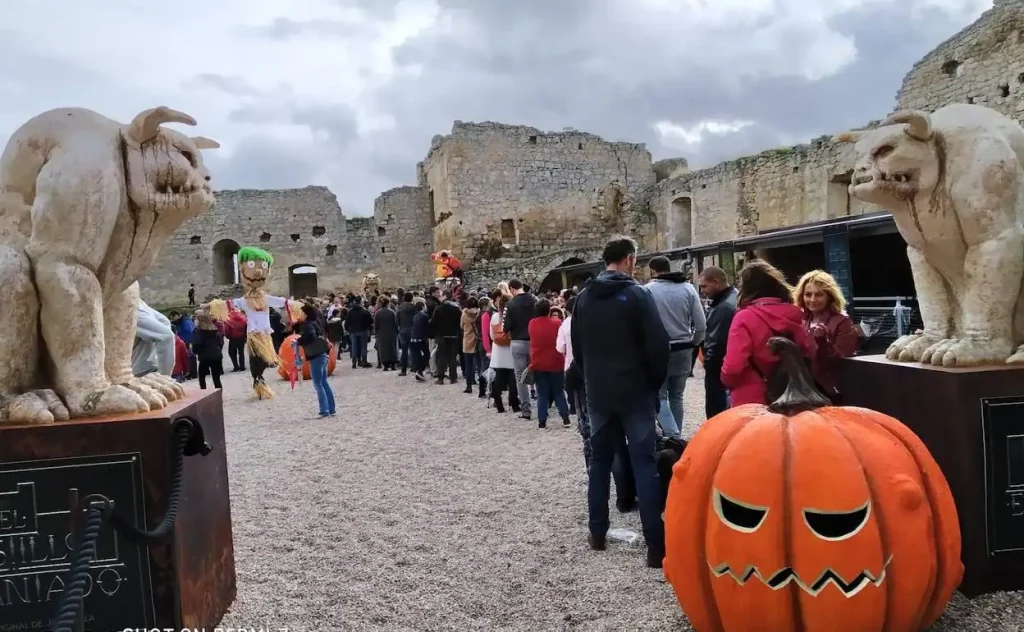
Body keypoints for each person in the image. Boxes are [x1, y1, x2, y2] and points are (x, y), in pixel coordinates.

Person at [570, 236, 670, 569]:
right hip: (635, 391)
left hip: (599, 392)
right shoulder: (638, 295)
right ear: (629, 259)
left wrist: (592, 379)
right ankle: (656, 546)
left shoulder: (583, 298)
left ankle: (597, 532)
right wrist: (651, 385)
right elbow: (658, 346)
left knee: (599, 462)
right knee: (644, 464)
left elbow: (578, 349)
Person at [720, 260, 816, 407]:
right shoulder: (796, 315)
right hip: (792, 395)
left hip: (750, 396)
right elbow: (809, 352)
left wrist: (726, 380)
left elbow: (734, 366)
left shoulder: (744, 317)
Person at [644, 256, 706, 438]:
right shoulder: (688, 288)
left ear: (652, 270)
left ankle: (673, 436)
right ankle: (676, 439)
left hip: (658, 350)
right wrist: (695, 342)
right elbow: (701, 324)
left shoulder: (647, 291)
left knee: (660, 396)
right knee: (677, 396)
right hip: (684, 348)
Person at [794, 269, 860, 403]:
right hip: (804, 390)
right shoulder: (800, 320)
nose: (812, 300)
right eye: (808, 294)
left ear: (829, 296)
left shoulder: (842, 322)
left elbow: (842, 361)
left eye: (818, 295)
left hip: (831, 394)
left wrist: (823, 342)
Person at [697, 266, 738, 418]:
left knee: (717, 411)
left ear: (716, 282)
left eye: (704, 286)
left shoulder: (724, 307)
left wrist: (709, 363)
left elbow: (718, 341)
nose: (702, 291)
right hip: (723, 364)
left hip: (718, 368)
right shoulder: (731, 299)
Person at [528, 299, 570, 429]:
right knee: (558, 391)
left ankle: (542, 420)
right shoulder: (557, 323)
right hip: (555, 361)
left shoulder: (532, 324)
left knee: (542, 393)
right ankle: (565, 417)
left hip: (538, 362)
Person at [503, 279, 537, 420]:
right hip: (534, 341)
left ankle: (526, 410)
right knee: (538, 374)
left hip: (517, 341)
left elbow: (506, 327)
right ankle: (543, 406)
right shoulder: (535, 300)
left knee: (520, 378)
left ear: (511, 289)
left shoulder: (510, 304)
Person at [299, 304, 336, 417]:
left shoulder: (308, 324)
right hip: (323, 354)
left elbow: (310, 335)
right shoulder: (317, 322)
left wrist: (298, 341)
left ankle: (324, 410)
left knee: (318, 384)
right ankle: (331, 408)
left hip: (316, 355)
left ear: (306, 314)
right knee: (324, 382)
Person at [489, 293, 520, 413]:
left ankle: (499, 404)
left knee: (498, 381)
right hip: (511, 352)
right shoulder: (514, 316)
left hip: (498, 353)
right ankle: (514, 404)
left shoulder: (495, 316)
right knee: (513, 381)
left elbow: (492, 335)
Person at [429, 290, 462, 384]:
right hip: (454, 334)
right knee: (452, 357)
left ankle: (441, 378)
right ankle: (453, 378)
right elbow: (460, 321)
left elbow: (433, 321)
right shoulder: (457, 307)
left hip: (442, 334)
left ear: (444, 296)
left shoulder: (439, 307)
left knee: (442, 357)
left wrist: (433, 333)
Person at [192, 310, 224, 390]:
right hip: (216, 355)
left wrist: (196, 351)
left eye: (196, 319)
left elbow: (197, 344)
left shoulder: (197, 331)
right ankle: (219, 394)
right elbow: (220, 342)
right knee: (216, 378)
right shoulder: (214, 329)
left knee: (202, 378)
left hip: (205, 356)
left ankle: (204, 394)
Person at [345, 296, 373, 368]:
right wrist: (368, 328)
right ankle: (364, 361)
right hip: (363, 330)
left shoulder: (350, 311)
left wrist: (349, 330)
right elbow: (370, 321)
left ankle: (354, 363)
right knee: (363, 347)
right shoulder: (364, 311)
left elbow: (347, 322)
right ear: (360, 302)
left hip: (354, 331)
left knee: (354, 347)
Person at [460, 297, 481, 393]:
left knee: (468, 364)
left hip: (468, 339)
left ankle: (469, 385)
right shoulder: (479, 313)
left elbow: (461, 326)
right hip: (478, 339)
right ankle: (482, 385)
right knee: (480, 363)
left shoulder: (464, 314)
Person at [474, 297, 494, 399]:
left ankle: (483, 390)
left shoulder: (478, 316)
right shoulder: (484, 316)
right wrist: (488, 349)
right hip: (485, 344)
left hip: (481, 343)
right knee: (485, 368)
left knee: (483, 367)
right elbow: (485, 333)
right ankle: (484, 390)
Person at [373, 297, 400, 371]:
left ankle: (385, 365)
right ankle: (393, 364)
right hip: (391, 333)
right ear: (388, 304)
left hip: (381, 334)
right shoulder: (392, 312)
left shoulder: (378, 313)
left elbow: (376, 325)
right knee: (392, 348)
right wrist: (396, 330)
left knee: (383, 349)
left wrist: (376, 333)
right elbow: (395, 323)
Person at [396, 292, 418, 376]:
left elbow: (396, 321)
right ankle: (414, 367)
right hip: (413, 330)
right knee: (414, 350)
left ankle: (403, 370)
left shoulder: (400, 308)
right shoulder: (414, 308)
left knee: (404, 351)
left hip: (403, 330)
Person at [411, 298, 431, 381]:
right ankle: (420, 370)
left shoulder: (415, 316)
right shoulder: (425, 316)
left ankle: (418, 370)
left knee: (418, 356)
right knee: (427, 354)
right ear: (423, 307)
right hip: (421, 338)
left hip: (413, 338)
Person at [224, 306, 248, 372]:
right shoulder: (243, 318)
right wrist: (245, 336)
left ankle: (236, 366)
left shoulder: (229, 320)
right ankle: (242, 366)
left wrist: (228, 336)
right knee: (241, 352)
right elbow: (246, 327)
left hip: (233, 338)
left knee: (232, 352)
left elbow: (227, 330)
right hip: (242, 338)